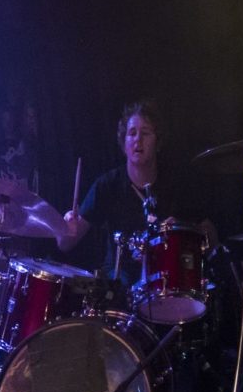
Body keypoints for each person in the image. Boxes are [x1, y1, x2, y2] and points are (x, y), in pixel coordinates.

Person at [57, 99, 214, 285]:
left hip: (166, 285)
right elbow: (65, 245)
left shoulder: (176, 183)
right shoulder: (107, 185)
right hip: (118, 287)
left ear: (158, 141)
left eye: (145, 133)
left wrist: (181, 229)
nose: (138, 139)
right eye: (132, 133)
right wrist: (65, 227)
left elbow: (211, 238)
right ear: (124, 143)